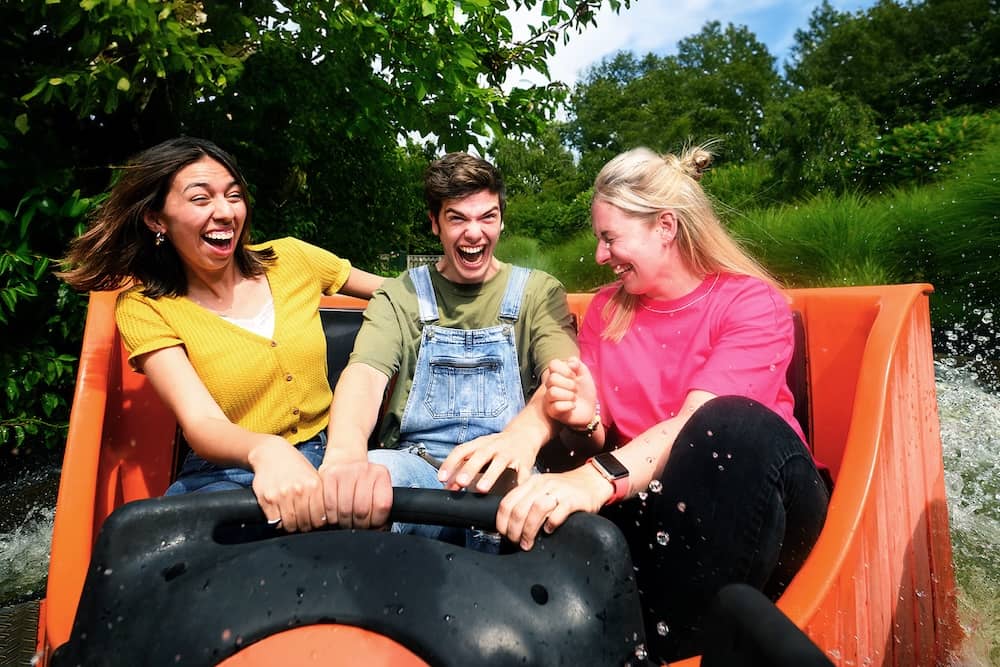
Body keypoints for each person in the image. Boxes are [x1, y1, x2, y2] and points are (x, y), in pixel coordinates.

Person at [494, 146, 830, 661]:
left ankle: (673, 654)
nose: (600, 255)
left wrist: (593, 477)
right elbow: (595, 429)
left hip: (765, 499)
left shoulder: (751, 302)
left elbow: (696, 427)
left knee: (726, 424)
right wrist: (577, 426)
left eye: (610, 238)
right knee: (557, 478)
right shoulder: (607, 308)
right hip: (657, 503)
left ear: (665, 227)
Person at [58, 136, 383, 533]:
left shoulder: (292, 259)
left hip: (333, 455)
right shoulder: (145, 307)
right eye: (201, 199)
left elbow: (396, 294)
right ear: (156, 219)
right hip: (226, 471)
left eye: (233, 195)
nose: (225, 211)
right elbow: (201, 422)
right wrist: (266, 450)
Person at [316, 152, 578, 540]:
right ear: (435, 224)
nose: (475, 233)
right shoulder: (400, 294)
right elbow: (365, 376)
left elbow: (566, 378)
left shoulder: (538, 292)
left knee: (541, 503)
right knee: (370, 479)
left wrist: (520, 439)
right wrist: (344, 454)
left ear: (501, 220)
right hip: (417, 466)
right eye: (458, 218)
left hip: (508, 465)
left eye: (487, 217)